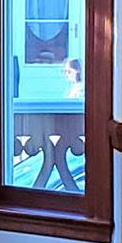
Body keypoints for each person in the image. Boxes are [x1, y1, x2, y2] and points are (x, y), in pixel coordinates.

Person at [34, 56, 85, 191]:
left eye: (69, 71)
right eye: (65, 72)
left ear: (78, 71)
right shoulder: (74, 88)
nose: (67, 76)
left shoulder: (82, 89)